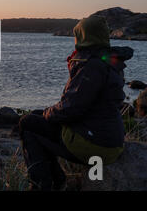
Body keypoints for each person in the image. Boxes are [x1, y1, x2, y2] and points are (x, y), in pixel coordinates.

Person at [19, 15, 134, 191]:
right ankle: (58, 181)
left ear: (83, 37)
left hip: (94, 145)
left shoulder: (92, 66)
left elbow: (70, 109)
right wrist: (46, 114)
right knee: (38, 117)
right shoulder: (109, 61)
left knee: (27, 123)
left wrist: (48, 113)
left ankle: (44, 185)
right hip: (112, 141)